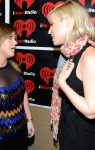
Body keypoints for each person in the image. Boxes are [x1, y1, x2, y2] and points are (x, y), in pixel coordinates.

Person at [47, 0, 95, 150]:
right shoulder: (70, 54)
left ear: (67, 21)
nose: (49, 31)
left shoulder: (89, 56)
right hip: (70, 133)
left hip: (85, 139)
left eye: (52, 24)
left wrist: (63, 84)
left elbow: (91, 111)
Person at [0, 23, 35, 150]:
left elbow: (23, 94)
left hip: (20, 135)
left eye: (15, 38)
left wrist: (29, 120)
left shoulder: (15, 66)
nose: (15, 42)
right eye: (10, 38)